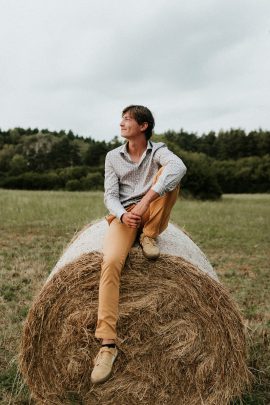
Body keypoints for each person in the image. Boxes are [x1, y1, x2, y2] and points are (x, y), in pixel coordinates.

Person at [91, 105, 187, 384]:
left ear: (143, 126)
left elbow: (179, 166)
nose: (121, 123)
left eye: (127, 119)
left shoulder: (158, 152)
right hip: (123, 216)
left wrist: (144, 203)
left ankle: (150, 234)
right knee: (109, 262)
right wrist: (123, 214)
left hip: (149, 211)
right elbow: (109, 195)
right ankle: (108, 345)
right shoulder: (113, 157)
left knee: (172, 176)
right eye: (121, 118)